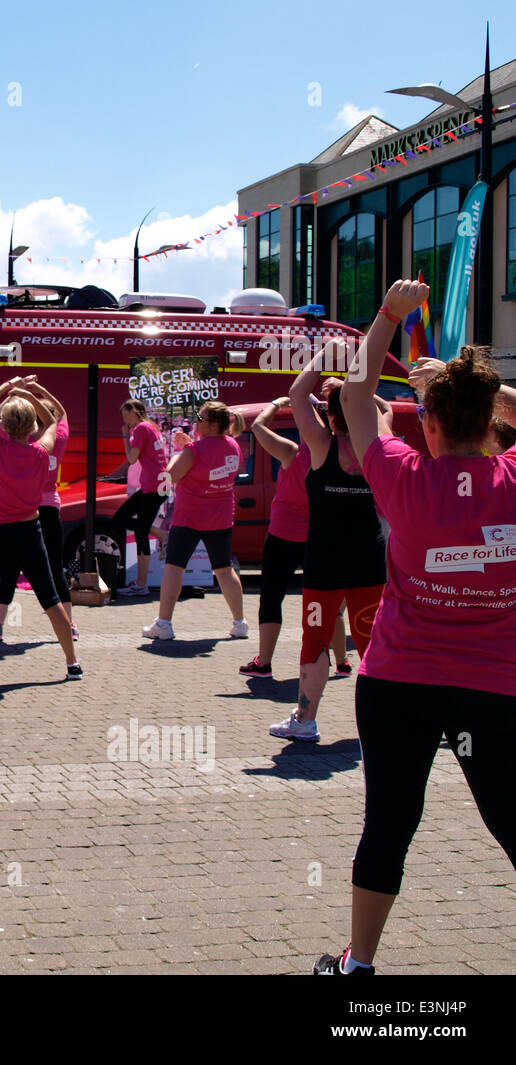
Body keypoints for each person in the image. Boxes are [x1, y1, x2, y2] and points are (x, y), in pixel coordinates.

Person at [312, 280, 516, 975]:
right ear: (493, 424)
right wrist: (473, 390)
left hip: (399, 683)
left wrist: (389, 318)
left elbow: (352, 397)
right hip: (495, 690)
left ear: (426, 425)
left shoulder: (402, 475)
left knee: (390, 825)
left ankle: (358, 964)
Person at [268, 360, 387, 743]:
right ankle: (381, 725)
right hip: (370, 561)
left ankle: (305, 720)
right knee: (373, 642)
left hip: (325, 564)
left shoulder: (321, 445)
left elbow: (297, 393)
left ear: (329, 416)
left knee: (315, 639)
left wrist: (321, 363)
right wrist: (355, 387)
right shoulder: (380, 447)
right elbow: (381, 409)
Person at [0, 375, 80, 684]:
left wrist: (9, 386)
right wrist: (32, 393)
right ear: (32, 427)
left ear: (4, 426)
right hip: (29, 529)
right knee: (50, 598)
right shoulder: (41, 453)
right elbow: (54, 419)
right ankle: (72, 663)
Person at [240, 396, 350, 680]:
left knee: (272, 597)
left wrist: (278, 404)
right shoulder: (342, 454)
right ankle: (340, 661)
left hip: (283, 535)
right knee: (326, 600)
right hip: (321, 536)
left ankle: (263, 662)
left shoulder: (292, 452)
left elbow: (258, 426)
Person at [141, 401, 246, 641]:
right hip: (220, 517)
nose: (196, 420)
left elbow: (169, 477)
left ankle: (163, 624)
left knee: (173, 567)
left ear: (213, 425)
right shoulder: (233, 446)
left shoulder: (194, 450)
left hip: (190, 517)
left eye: (201, 417)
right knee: (224, 570)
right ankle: (240, 623)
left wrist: (180, 452)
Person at [0, 381, 76, 641]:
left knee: (9, 569)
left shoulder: (24, 442)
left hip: (24, 512)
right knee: (55, 569)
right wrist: (37, 391)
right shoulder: (56, 438)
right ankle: (70, 625)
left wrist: (17, 392)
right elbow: (62, 414)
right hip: (50, 508)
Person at [113, 399, 169, 597]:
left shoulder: (141, 429)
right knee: (126, 521)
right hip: (157, 484)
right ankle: (163, 536)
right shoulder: (151, 427)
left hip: (154, 485)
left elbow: (131, 458)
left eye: (125, 414)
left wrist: (124, 435)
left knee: (138, 531)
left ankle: (141, 584)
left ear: (133, 411)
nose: (124, 419)